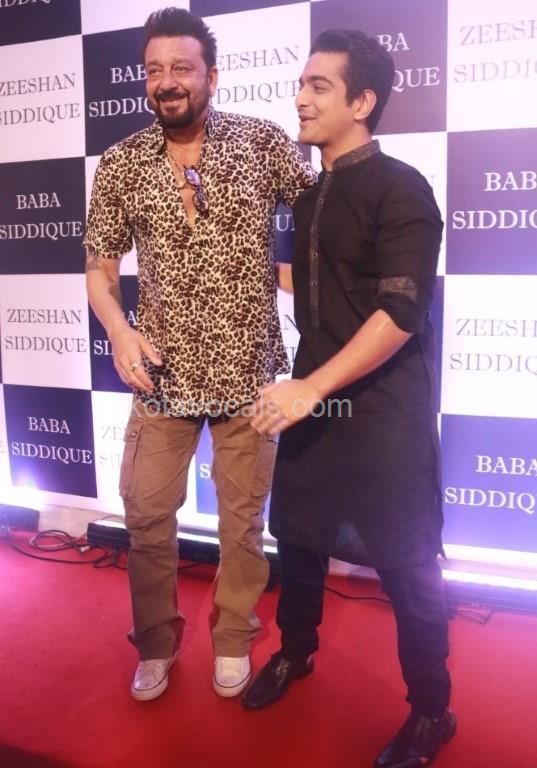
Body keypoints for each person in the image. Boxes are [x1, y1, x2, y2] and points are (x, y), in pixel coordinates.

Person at [84, 7, 315, 702]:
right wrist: (120, 331)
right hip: (161, 374)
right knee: (145, 515)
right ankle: (156, 644)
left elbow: (321, 219)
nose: (167, 82)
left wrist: (298, 277)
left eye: (181, 68)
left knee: (242, 524)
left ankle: (233, 637)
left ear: (211, 76)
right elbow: (99, 266)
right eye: (154, 70)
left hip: (250, 373)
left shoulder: (262, 142)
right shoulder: (121, 162)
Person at [242, 29, 456, 768]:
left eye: (319, 86)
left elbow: (400, 312)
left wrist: (310, 387)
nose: (299, 98)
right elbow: (316, 283)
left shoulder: (401, 188)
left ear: (362, 102)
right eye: (300, 84)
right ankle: (294, 654)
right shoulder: (308, 198)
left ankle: (432, 709)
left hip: (383, 412)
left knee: (407, 566)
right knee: (298, 540)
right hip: (317, 402)